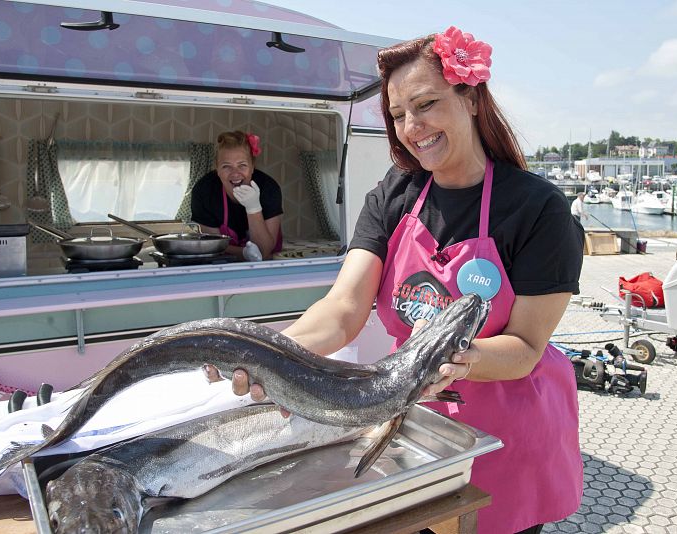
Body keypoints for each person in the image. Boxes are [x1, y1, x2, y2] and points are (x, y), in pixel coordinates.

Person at [210, 26, 584, 534]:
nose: (412, 126)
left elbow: (525, 347)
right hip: (416, 425)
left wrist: (456, 361)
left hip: (510, 433)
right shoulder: (396, 196)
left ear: (471, 98)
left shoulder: (538, 209)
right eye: (398, 114)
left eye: (426, 104)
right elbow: (343, 308)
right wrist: (274, 352)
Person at [190, 131, 283, 261]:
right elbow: (212, 246)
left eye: (242, 165)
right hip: (223, 263)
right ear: (217, 169)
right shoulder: (204, 191)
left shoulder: (269, 189)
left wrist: (254, 208)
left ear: (252, 167)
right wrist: (244, 254)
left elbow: (264, 250)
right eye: (226, 166)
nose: (235, 174)